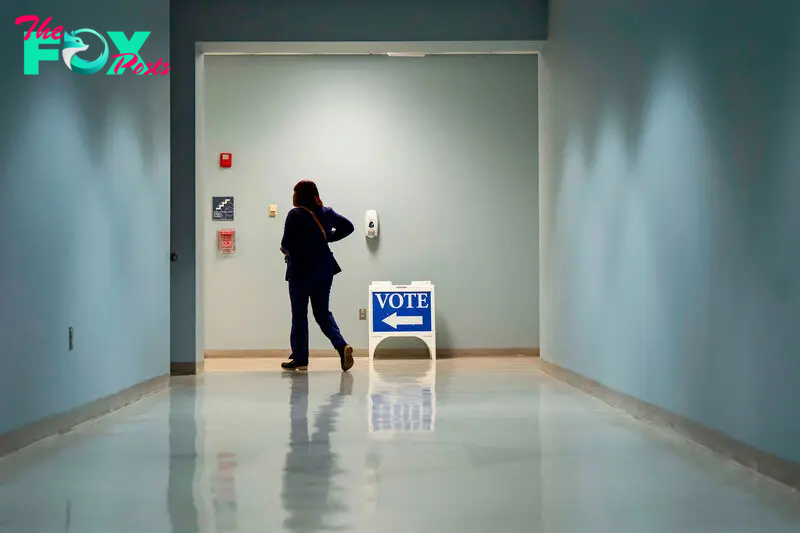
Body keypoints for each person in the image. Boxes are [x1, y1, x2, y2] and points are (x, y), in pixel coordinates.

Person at [279, 180, 355, 372]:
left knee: (299, 314)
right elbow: (348, 227)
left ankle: (301, 360)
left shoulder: (294, 214)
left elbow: (286, 243)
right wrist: (327, 237)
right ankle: (342, 346)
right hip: (324, 269)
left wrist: (287, 251)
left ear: (301, 196)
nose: (293, 196)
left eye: (295, 193)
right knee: (322, 313)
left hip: (300, 271)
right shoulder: (327, 212)